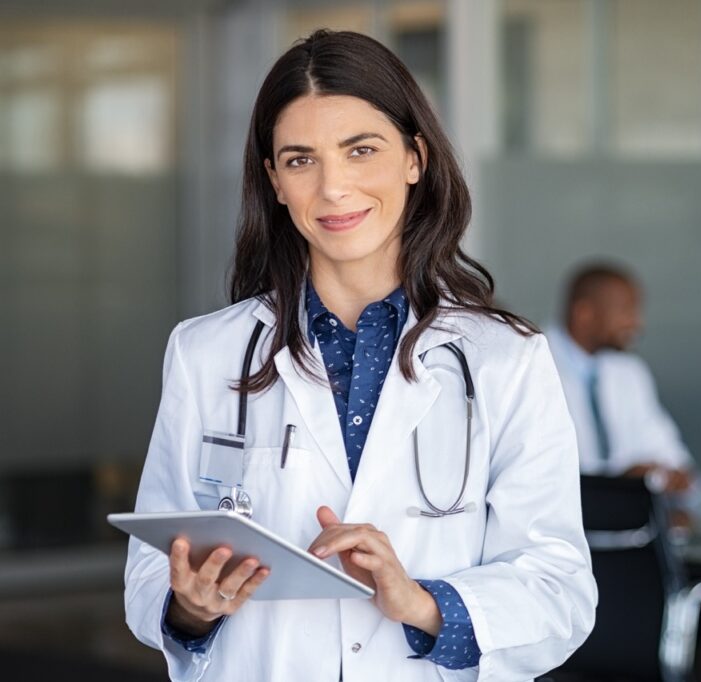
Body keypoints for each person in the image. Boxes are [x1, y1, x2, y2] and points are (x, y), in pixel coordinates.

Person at [124, 30, 596, 681]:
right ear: (275, 182)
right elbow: (150, 570)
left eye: (360, 150)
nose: (333, 187)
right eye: (299, 160)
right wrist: (192, 607)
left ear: (414, 158)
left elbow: (560, 589)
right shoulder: (207, 354)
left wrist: (424, 604)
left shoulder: (505, 360)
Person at [546, 263, 701, 496]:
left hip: (629, 524)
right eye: (625, 311)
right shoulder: (532, 367)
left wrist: (672, 474)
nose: (637, 324)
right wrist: (619, 482)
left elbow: (671, 455)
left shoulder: (630, 372)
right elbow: (543, 474)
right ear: (584, 314)